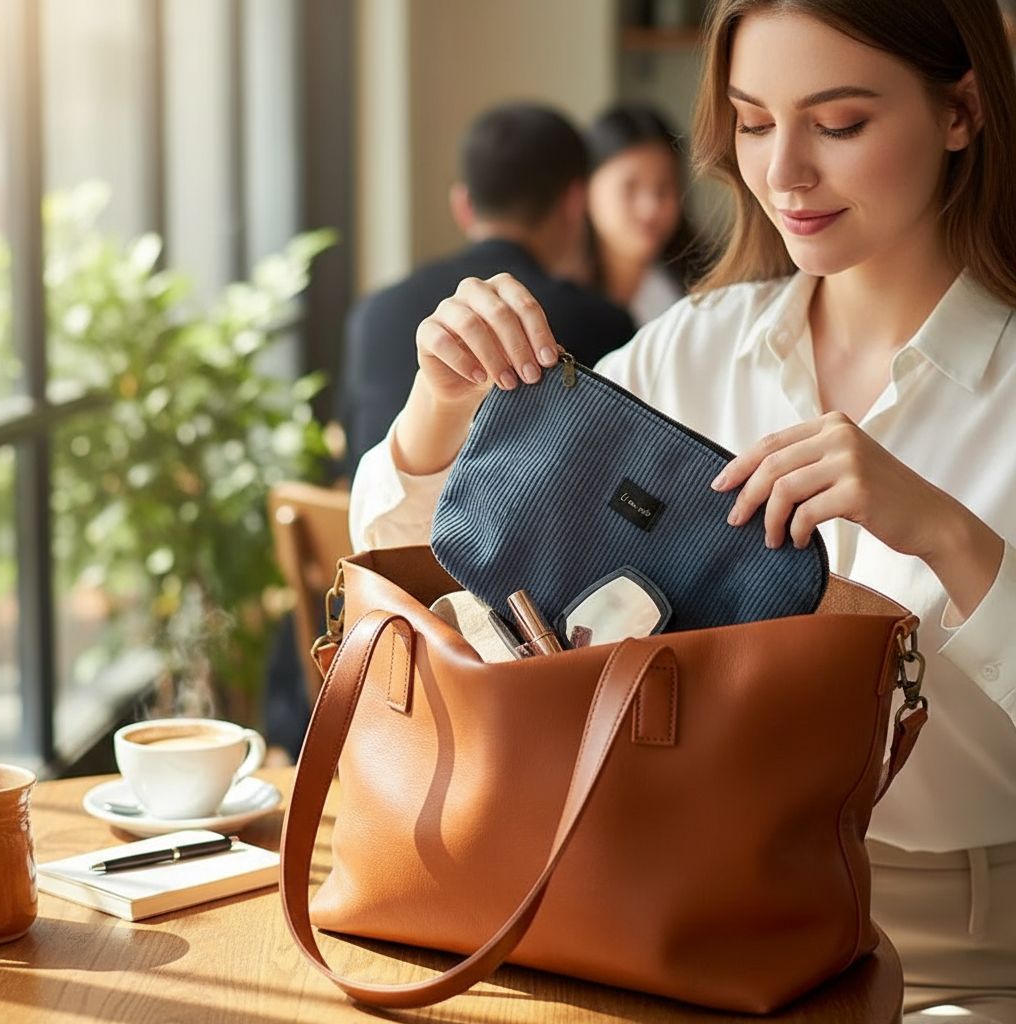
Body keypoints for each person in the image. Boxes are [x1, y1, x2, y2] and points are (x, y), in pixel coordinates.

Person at [349, 0, 1016, 1019]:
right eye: (752, 121)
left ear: (961, 110)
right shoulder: (689, 350)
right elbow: (411, 575)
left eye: (838, 124)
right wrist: (439, 410)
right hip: (663, 905)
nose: (784, 171)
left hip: (954, 950)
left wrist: (942, 532)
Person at [337, 102, 635, 476]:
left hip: (376, 531)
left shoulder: (373, 311)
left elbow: (347, 468)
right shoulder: (600, 324)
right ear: (576, 202)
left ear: (463, 205)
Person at [583, 103, 706, 325]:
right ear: (587, 188)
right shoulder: (554, 297)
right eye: (630, 187)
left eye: (664, 188)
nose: (651, 208)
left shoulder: (703, 294)